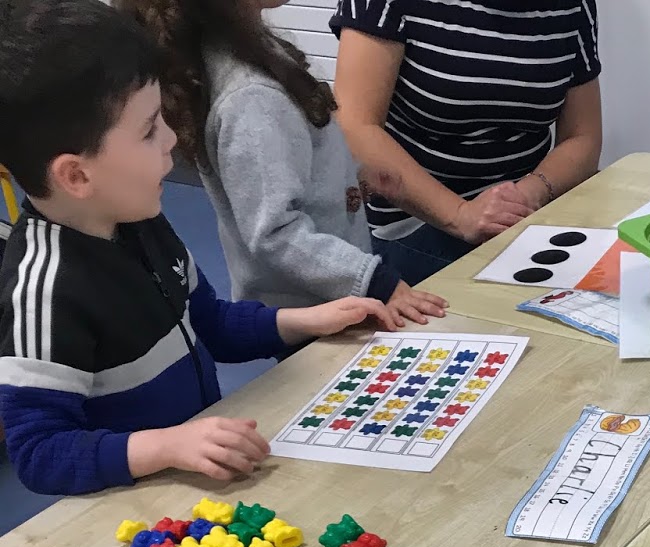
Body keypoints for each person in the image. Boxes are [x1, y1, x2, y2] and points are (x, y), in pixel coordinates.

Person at [0, 0, 389, 498]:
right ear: (76, 175)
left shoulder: (140, 219)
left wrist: (306, 320)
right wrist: (165, 446)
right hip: (136, 510)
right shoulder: (44, 292)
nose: (170, 138)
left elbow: (210, 324)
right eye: (148, 130)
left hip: (190, 485)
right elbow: (40, 453)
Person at [114, 0, 447, 328]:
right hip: (311, 315)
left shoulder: (248, 48)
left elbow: (286, 166)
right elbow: (274, 232)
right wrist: (376, 281)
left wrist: (350, 176)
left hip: (332, 297)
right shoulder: (250, 97)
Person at [330, 0, 602, 285]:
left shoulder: (573, 7)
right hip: (414, 223)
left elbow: (583, 137)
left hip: (522, 220)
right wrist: (461, 215)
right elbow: (355, 128)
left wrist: (529, 194)